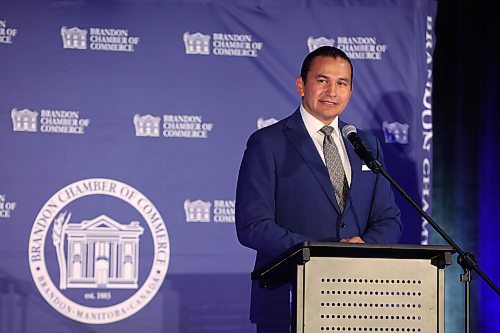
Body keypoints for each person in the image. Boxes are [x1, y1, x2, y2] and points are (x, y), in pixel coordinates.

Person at [235, 46, 402, 333]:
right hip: (288, 298)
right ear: (301, 84)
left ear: (350, 91)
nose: (332, 91)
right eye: (322, 80)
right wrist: (319, 253)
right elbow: (253, 225)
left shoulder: (365, 144)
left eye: (342, 83)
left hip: (358, 299)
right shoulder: (268, 142)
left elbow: (389, 219)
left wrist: (365, 245)